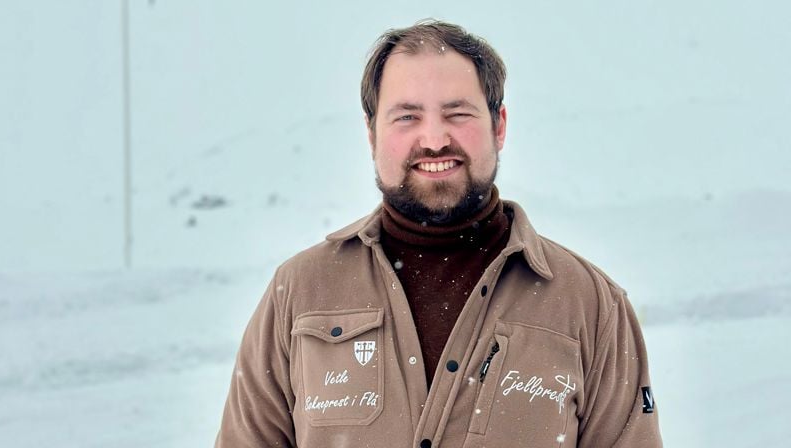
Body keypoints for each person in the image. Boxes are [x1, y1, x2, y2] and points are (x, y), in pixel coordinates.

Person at [215, 19, 662, 448]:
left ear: (499, 126)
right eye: (407, 116)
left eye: (457, 113)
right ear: (371, 134)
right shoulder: (298, 292)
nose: (433, 139)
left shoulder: (589, 304)